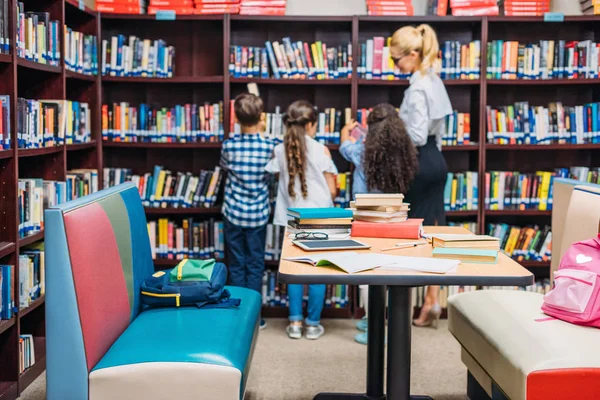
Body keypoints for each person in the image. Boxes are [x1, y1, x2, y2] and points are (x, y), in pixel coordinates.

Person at [340, 103, 419, 344]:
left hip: (365, 219)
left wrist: (346, 131)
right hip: (394, 218)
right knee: (392, 269)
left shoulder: (363, 153)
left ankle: (370, 323)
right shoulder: (406, 154)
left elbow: (345, 148)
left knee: (367, 272)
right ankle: (392, 321)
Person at [391, 24, 453, 328]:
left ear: (413, 54)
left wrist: (393, 128)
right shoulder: (434, 81)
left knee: (410, 232)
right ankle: (432, 298)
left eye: (397, 59)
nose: (396, 66)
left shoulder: (416, 89)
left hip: (417, 161)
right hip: (435, 160)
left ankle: (404, 303)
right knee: (433, 230)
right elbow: (437, 133)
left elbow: (414, 135)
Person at [266, 100, 338, 340]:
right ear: (310, 125)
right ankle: (313, 323)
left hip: (294, 216)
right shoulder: (321, 150)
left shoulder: (279, 150)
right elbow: (333, 190)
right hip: (320, 216)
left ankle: (295, 322)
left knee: (295, 270)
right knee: (318, 271)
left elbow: (277, 176)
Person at [220, 93, 276, 330]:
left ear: (236, 118)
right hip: (258, 215)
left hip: (233, 213)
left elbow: (224, 170)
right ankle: (254, 317)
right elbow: (271, 177)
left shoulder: (229, 146)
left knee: (236, 263)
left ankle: (236, 314)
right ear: (261, 117)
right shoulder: (270, 146)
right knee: (255, 264)